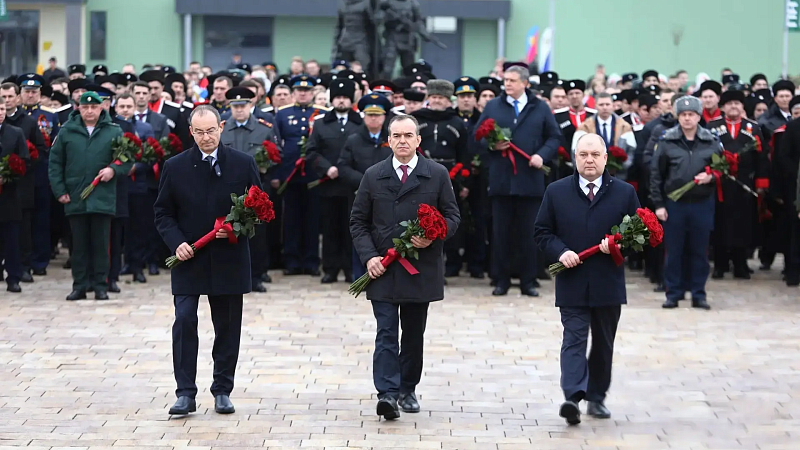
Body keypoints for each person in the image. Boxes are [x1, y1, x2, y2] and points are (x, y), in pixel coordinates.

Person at [350, 114, 460, 420]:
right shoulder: (374, 175)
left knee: (413, 333)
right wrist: (369, 257)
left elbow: (453, 216)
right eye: (396, 136)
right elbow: (358, 221)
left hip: (420, 267)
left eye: (408, 135)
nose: (402, 141)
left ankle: (407, 389)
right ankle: (387, 393)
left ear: (418, 140)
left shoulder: (436, 174)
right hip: (383, 268)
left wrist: (433, 235)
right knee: (386, 331)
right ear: (388, 140)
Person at [154, 105, 261, 416]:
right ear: (191, 132)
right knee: (184, 319)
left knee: (227, 325)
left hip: (229, 257)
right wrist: (177, 243)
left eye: (211, 130)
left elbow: (259, 209)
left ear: (221, 127)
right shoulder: (175, 166)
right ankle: (185, 393)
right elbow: (163, 213)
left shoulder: (242, 163)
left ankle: (222, 389)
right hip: (189, 257)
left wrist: (236, 228)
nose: (206, 137)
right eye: (199, 132)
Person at [534, 134, 639, 425]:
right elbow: (542, 232)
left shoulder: (624, 192)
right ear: (574, 158)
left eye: (594, 154)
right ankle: (572, 396)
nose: (589, 160)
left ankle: (596, 397)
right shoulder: (556, 191)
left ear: (605, 158)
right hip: (572, 279)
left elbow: (638, 235)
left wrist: (617, 246)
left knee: (603, 343)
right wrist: (561, 251)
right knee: (574, 338)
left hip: (608, 280)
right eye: (583, 155)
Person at [474, 62, 562, 297]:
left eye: (512, 81)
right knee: (500, 234)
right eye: (505, 80)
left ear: (525, 83)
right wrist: (492, 145)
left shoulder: (539, 108)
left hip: (530, 180)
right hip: (501, 180)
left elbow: (554, 137)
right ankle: (501, 280)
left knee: (528, 234)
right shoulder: (493, 106)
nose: (507, 84)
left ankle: (528, 280)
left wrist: (541, 155)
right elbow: (477, 136)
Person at [48, 92, 129, 301]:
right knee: (79, 246)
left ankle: (101, 285)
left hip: (102, 196)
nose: (90, 111)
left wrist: (113, 169)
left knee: (101, 245)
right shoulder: (67, 131)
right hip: (76, 197)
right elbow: (55, 163)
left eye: (94, 107)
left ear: (102, 108)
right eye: (85, 107)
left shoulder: (113, 131)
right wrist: (60, 191)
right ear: (78, 108)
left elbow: (126, 158)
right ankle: (80, 285)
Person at [649, 96, 721, 310]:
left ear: (699, 117)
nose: (687, 118)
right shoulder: (667, 141)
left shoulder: (711, 141)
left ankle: (698, 293)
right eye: (683, 115)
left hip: (702, 203)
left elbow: (721, 169)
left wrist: (712, 177)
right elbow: (656, 175)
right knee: (674, 251)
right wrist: (659, 205)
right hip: (675, 204)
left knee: (700, 251)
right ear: (678, 117)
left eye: (691, 115)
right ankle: (673, 293)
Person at [220, 86, 281, 292]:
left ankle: (255, 275)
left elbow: (277, 154)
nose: (239, 110)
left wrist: (265, 164)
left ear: (251, 105)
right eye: (235, 106)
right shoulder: (222, 129)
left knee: (256, 235)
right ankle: (229, 274)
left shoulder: (264, 128)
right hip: (227, 189)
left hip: (256, 189)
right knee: (227, 232)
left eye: (243, 105)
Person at [305, 79, 363, 283]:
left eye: (345, 97)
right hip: (328, 185)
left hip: (352, 186)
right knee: (330, 227)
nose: (341, 101)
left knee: (351, 228)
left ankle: (349, 267)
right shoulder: (321, 123)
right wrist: (326, 168)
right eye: (337, 97)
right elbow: (311, 152)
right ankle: (330, 268)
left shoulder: (360, 122)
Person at [707, 90, 768, 279]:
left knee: (743, 225)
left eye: (737, 103)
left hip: (744, 185)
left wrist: (761, 183)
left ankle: (741, 264)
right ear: (723, 107)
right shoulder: (712, 127)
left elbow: (762, 159)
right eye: (729, 103)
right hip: (720, 184)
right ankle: (720, 264)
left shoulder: (753, 128)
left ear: (742, 106)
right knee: (720, 224)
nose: (733, 106)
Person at [411, 79, 469, 277]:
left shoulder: (458, 123)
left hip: (450, 177)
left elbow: (464, 154)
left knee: (448, 218)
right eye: (434, 97)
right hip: (420, 175)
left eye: (441, 98)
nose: (437, 101)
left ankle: (451, 264)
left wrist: (463, 181)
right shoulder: (416, 120)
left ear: (448, 100)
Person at [274, 75, 329, 276]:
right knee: (291, 220)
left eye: (307, 91)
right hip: (290, 174)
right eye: (299, 90)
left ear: (313, 92)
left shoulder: (322, 113)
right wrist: (278, 173)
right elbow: (277, 144)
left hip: (315, 175)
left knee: (313, 219)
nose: (303, 94)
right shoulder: (283, 113)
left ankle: (312, 261)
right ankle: (292, 260)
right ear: (294, 93)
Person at [338, 93, 394, 280]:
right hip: (360, 195)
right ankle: (359, 274)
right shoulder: (353, 139)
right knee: (360, 232)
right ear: (363, 116)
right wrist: (364, 182)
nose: (374, 118)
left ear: (384, 117)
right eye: (370, 115)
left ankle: (385, 273)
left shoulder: (392, 139)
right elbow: (343, 166)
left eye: (377, 115)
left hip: (388, 196)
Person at [1, 78, 47, 282]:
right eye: (3, 97)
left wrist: (18, 168)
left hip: (21, 184)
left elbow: (39, 151)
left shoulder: (27, 123)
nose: (7, 100)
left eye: (10, 96)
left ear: (17, 98)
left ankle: (23, 267)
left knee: (22, 229)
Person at [0, 97, 31, 293]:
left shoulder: (15, 132)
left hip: (9, 195)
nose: (0, 113)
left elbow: (24, 160)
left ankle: (13, 277)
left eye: (2, 109)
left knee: (11, 238)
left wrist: (9, 175)